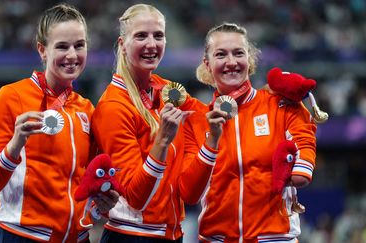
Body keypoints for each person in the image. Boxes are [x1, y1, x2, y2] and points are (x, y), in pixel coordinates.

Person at [0, 4, 118, 243]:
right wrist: (15, 145)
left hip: (79, 238)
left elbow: (91, 182)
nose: (72, 55)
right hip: (24, 237)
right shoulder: (10, 98)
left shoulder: (86, 109)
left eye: (79, 45)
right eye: (62, 46)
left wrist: (105, 199)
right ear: (42, 50)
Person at [91, 4, 228, 243]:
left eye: (158, 35)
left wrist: (212, 140)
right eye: (141, 36)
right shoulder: (113, 106)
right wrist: (163, 141)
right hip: (131, 236)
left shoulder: (167, 92)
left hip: (171, 234)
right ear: (122, 44)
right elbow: (136, 198)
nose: (152, 44)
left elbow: (190, 193)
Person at [185, 22, 317, 243]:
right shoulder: (197, 121)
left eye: (239, 53)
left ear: (250, 59)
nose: (231, 62)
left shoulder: (281, 105)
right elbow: (190, 194)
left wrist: (298, 172)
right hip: (216, 239)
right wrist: (212, 140)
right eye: (221, 55)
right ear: (207, 65)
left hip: (274, 238)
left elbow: (304, 150)